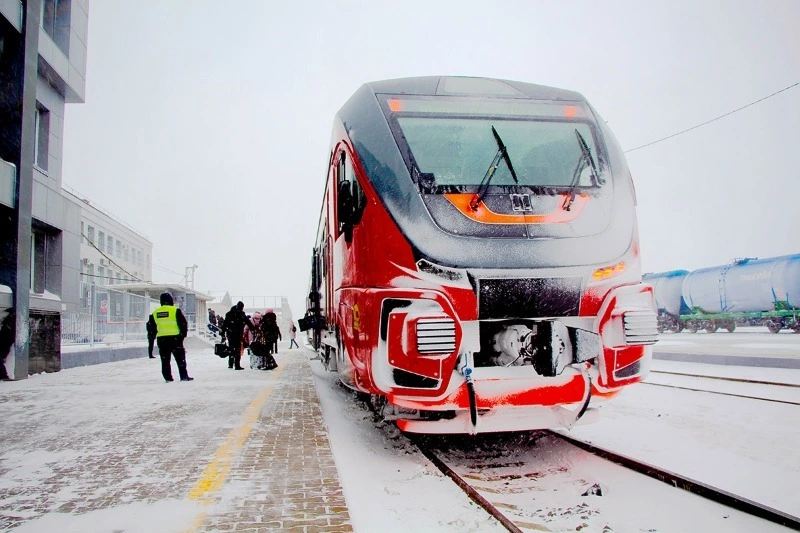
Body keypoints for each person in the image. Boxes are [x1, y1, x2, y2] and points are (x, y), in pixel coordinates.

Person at [146, 292, 193, 382]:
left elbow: (152, 327)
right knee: (180, 359)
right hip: (176, 339)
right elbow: (183, 324)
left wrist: (152, 337)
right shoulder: (175, 310)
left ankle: (168, 377)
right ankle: (183, 376)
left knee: (165, 360)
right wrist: (182, 336)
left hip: (162, 339)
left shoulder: (155, 313)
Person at [223, 301, 254, 370]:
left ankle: (230, 364)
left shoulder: (229, 314)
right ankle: (237, 365)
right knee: (237, 349)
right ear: (242, 307)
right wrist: (253, 329)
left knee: (231, 348)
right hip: (237, 334)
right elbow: (247, 322)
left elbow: (224, 324)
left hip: (230, 333)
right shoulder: (241, 314)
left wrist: (223, 333)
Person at [0, 307, 14, 381]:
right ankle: (3, 375)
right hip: (5, 343)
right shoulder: (8, 323)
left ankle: (3, 375)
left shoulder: (8, 323)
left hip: (5, 343)